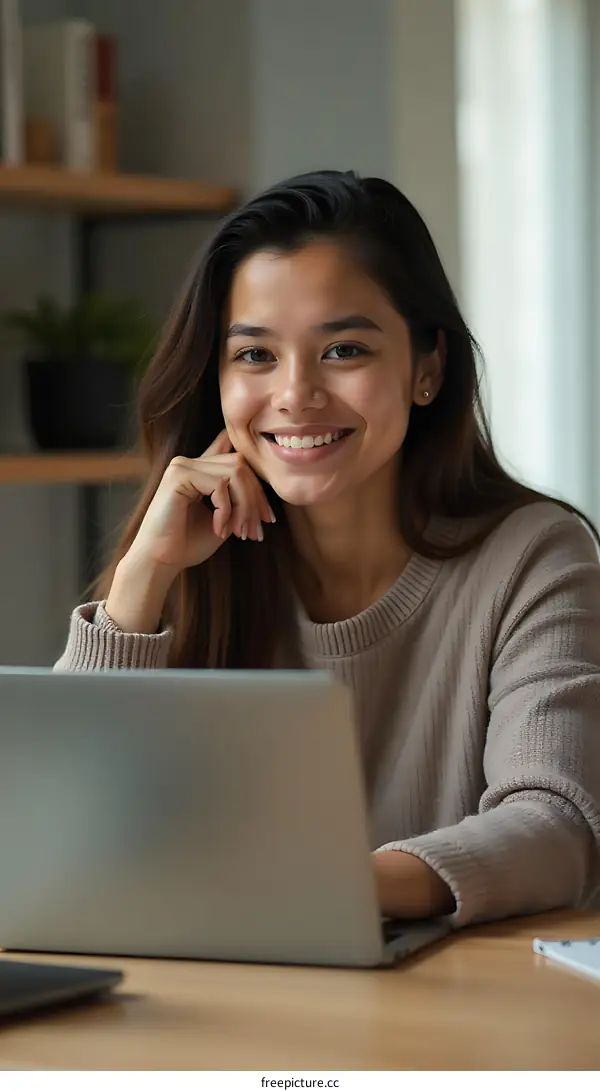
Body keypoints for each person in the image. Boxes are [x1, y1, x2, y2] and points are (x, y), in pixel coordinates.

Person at [56, 170, 600, 928]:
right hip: (230, 1000)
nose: (295, 394)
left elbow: (556, 826)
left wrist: (312, 887)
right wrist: (142, 578)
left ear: (427, 368)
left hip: (451, 1016)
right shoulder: (194, 556)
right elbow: (56, 830)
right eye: (255, 355)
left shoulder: (535, 556)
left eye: (343, 348)